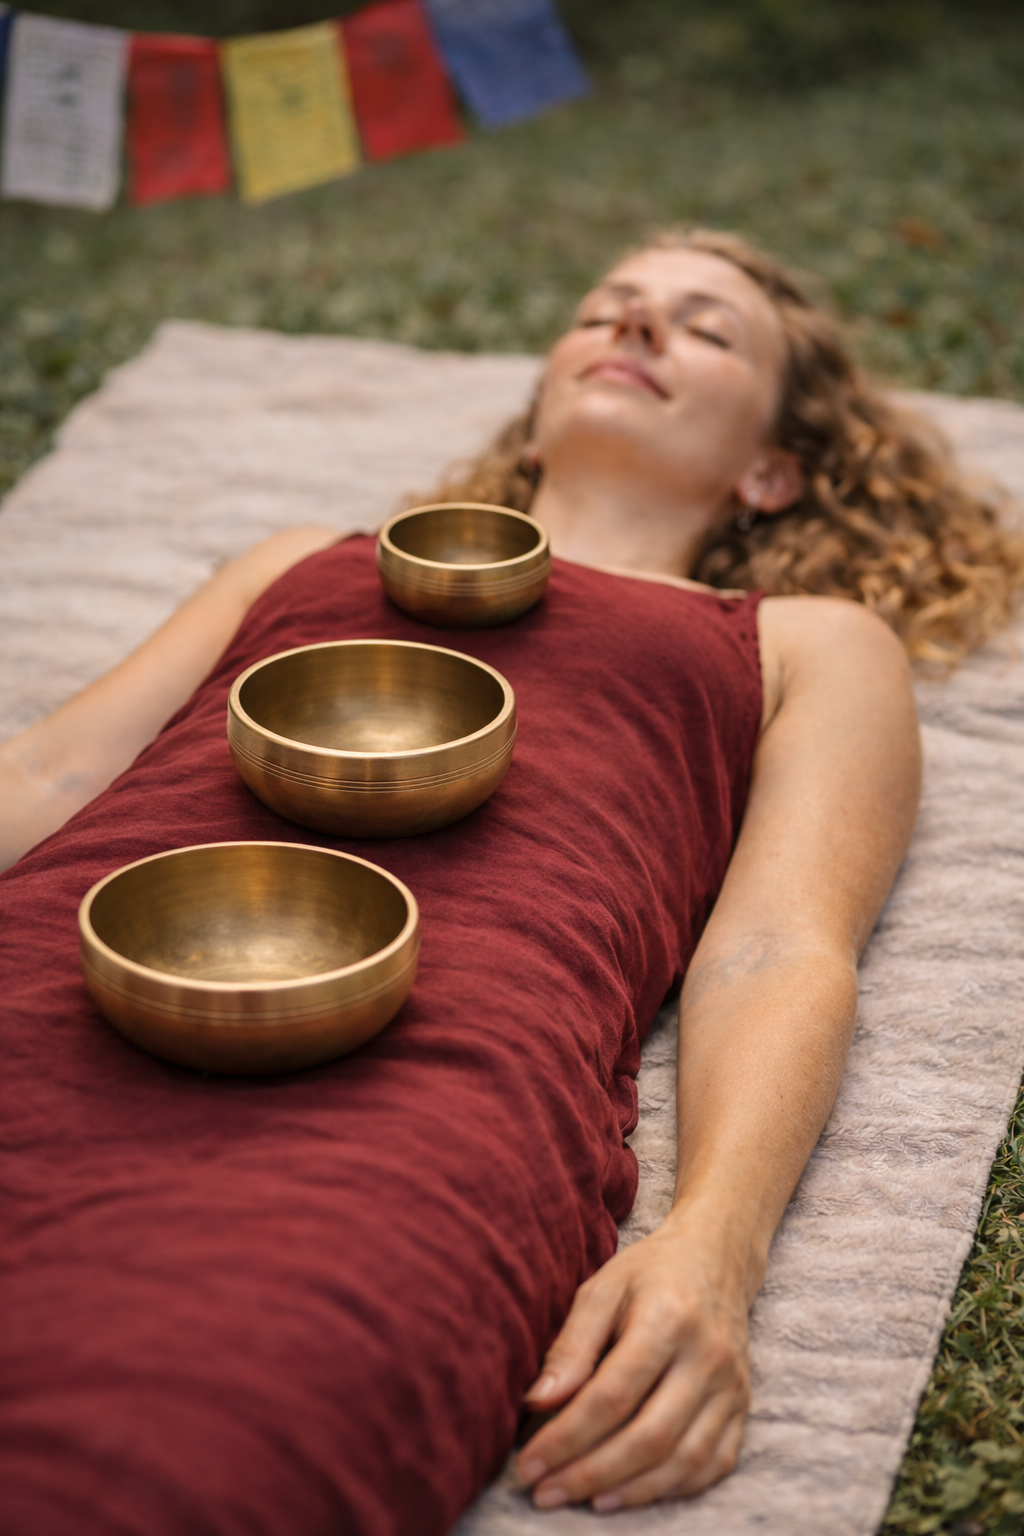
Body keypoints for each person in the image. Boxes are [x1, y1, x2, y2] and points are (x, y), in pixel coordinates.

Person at [0, 229, 1020, 1529]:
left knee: (166, 1457)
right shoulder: (308, 561)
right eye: (611, 307)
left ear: (772, 472)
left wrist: (711, 1253)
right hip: (46, 984)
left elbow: (778, 950)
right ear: (535, 419)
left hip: (410, 1105)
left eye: (707, 330)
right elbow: (41, 781)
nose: (639, 330)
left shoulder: (800, 644)